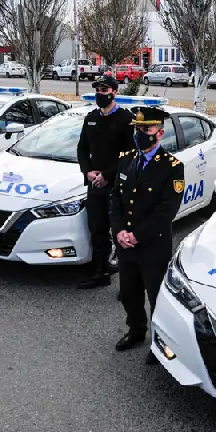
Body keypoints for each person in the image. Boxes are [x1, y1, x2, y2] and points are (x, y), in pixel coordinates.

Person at [109, 106, 185, 362]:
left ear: (160, 133)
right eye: (137, 129)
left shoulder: (172, 167)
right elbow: (116, 200)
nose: (140, 134)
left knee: (156, 297)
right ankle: (136, 330)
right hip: (126, 244)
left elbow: (166, 211)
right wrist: (120, 231)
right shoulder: (126, 159)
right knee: (129, 294)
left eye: (146, 129)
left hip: (152, 245)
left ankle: (158, 342)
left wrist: (137, 236)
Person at [76, 75, 135, 289]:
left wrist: (106, 176)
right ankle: (100, 273)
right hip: (95, 185)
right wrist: (88, 172)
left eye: (104, 90)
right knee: (98, 230)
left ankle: (128, 284)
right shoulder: (91, 118)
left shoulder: (126, 120)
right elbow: (82, 149)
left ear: (114, 93)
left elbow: (129, 154)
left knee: (120, 234)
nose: (99, 94)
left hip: (117, 186)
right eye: (97, 90)